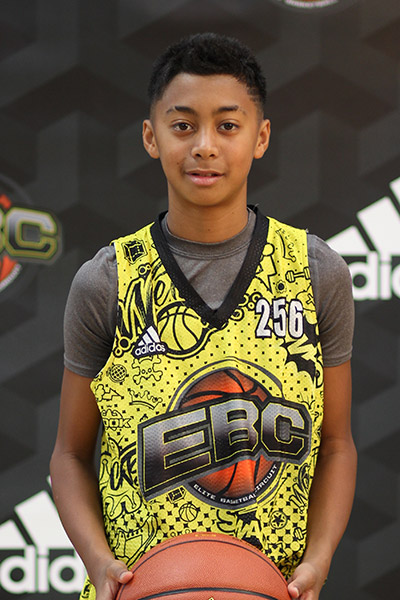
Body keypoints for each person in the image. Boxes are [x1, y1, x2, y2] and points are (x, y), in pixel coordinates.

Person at [50, 33, 357, 600]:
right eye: (183, 125)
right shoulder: (108, 281)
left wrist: (318, 561)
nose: (205, 146)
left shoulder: (316, 272)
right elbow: (69, 454)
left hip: (272, 587)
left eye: (228, 125)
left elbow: (336, 443)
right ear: (151, 136)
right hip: (143, 586)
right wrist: (98, 562)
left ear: (261, 137)